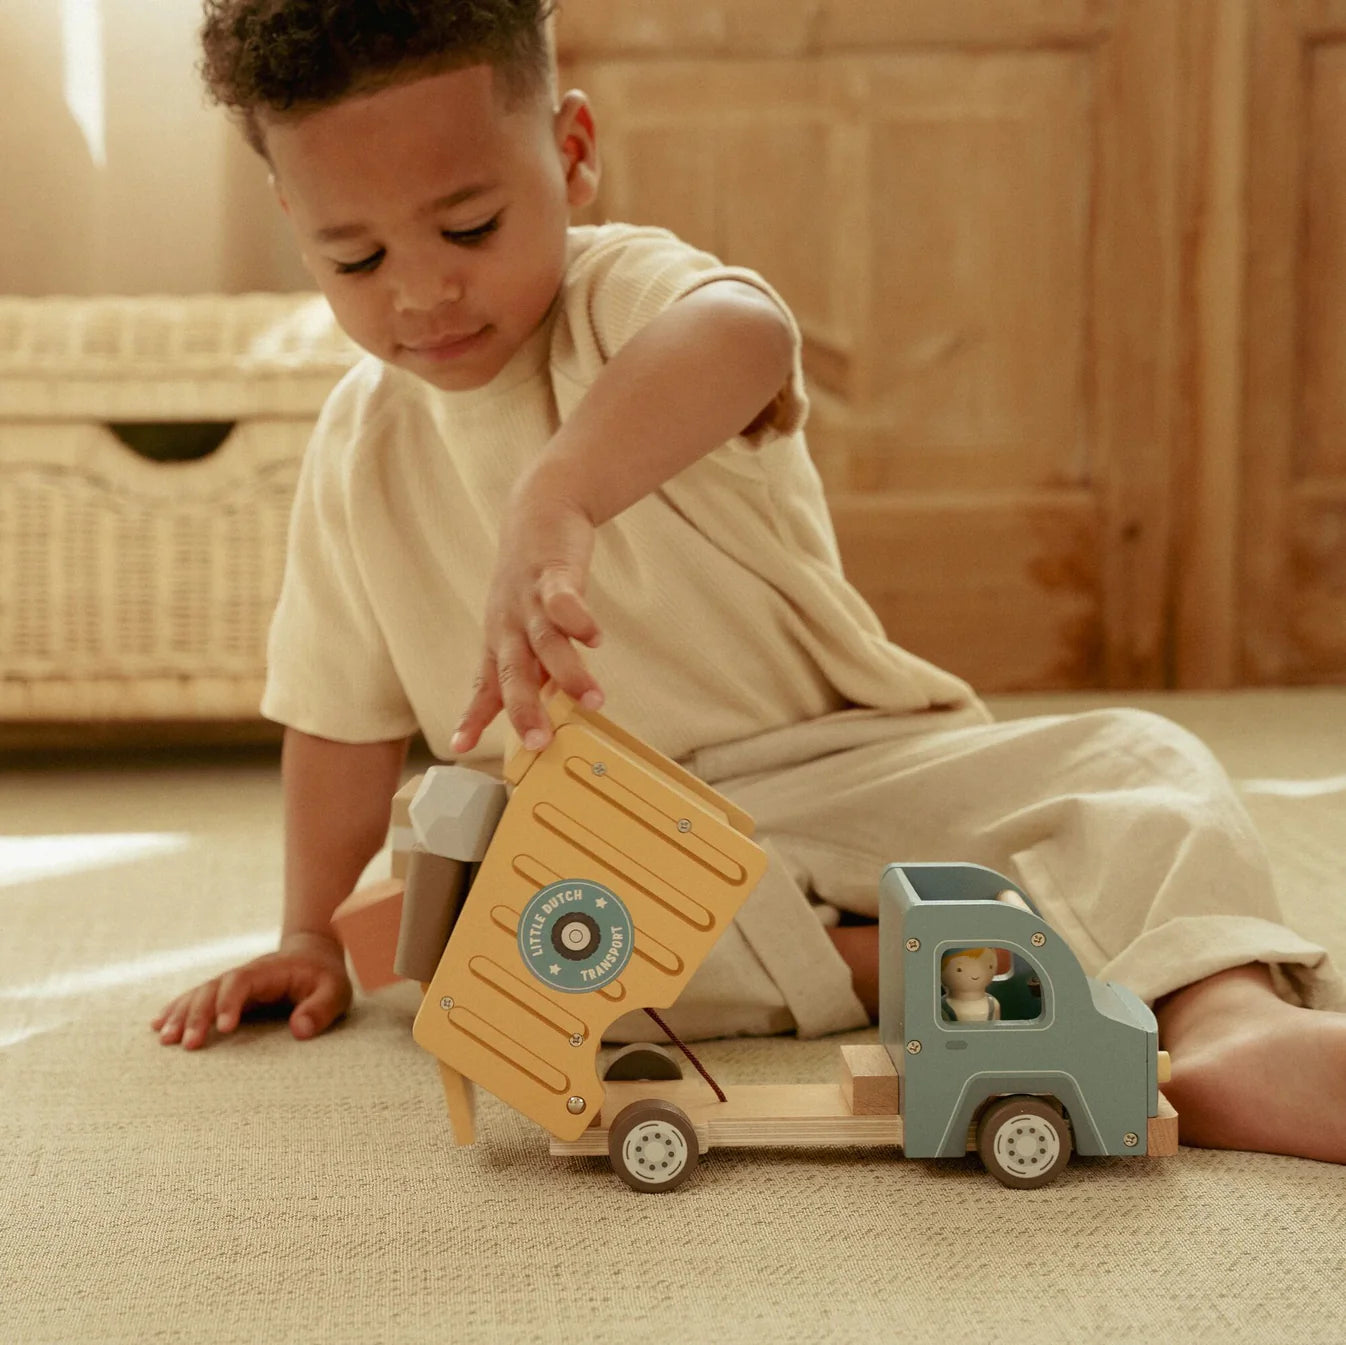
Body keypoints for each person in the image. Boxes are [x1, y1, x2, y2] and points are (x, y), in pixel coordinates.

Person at [153, 0, 1346, 1166]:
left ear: (570, 152)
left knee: (1139, 768)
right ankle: (937, 956)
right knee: (466, 935)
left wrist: (557, 493)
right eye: (355, 256)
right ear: (292, 216)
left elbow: (745, 333)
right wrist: (305, 930)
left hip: (837, 767)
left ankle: (1222, 1021)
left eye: (469, 228)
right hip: (601, 840)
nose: (419, 293)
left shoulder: (620, 301)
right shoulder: (355, 445)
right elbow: (339, 722)